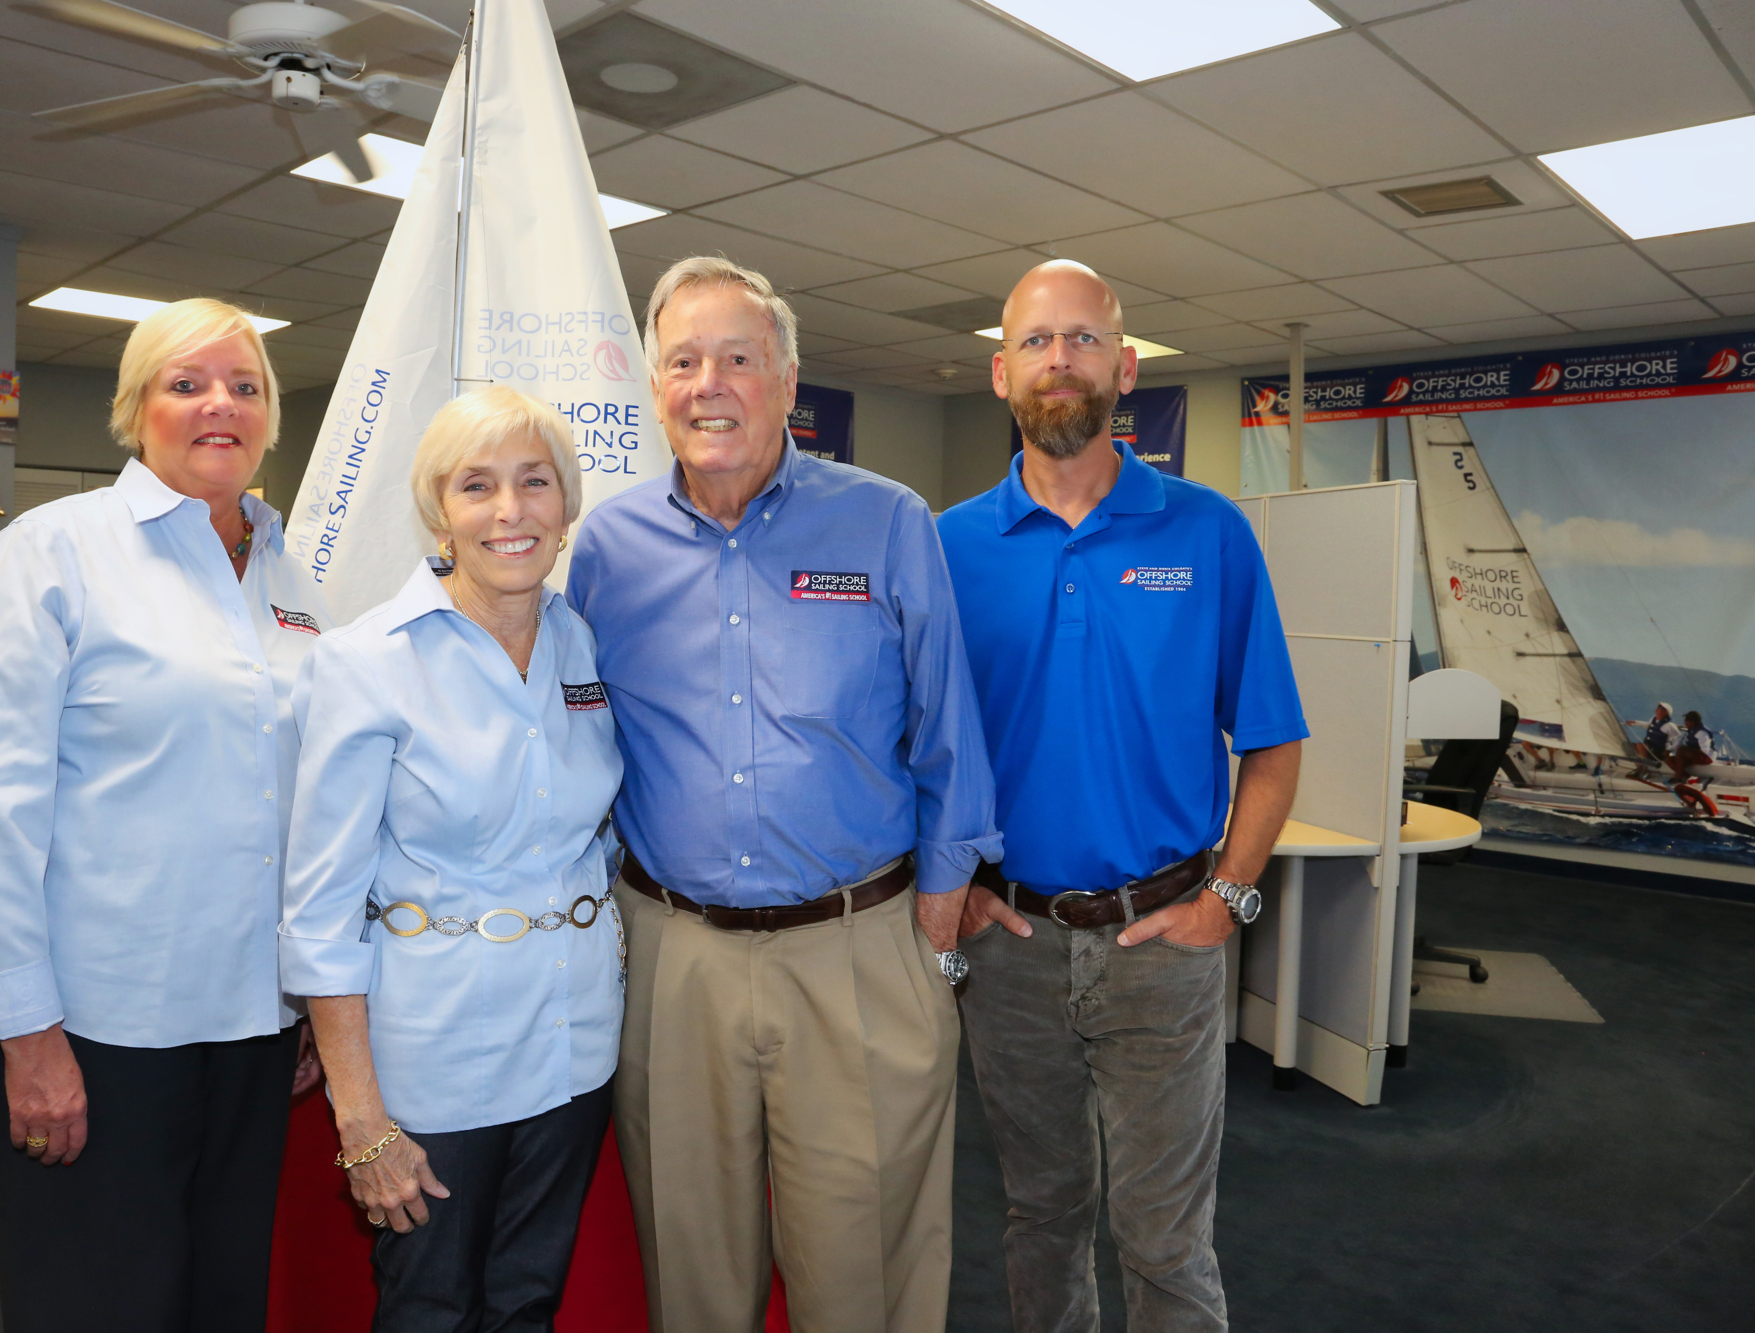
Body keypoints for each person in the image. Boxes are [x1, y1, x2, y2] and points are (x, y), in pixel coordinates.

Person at [566, 255, 1001, 1333]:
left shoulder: (887, 521)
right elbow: (565, 741)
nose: (710, 382)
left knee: (864, 1271)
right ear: (654, 384)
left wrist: (937, 914)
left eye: (739, 358)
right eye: (683, 359)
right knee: (692, 1267)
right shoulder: (605, 551)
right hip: (676, 956)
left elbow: (950, 726)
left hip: (855, 948)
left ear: (788, 379)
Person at [0, 298, 328, 1333]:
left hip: (252, 1026)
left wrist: (307, 996)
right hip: (99, 1028)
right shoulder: (48, 556)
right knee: (99, 1303)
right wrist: (27, 1033)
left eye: (244, 386)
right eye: (185, 383)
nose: (218, 405)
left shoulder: (292, 579)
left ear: (270, 415)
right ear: (134, 409)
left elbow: (304, 799)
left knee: (223, 1298)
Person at [936, 261, 1308, 1333]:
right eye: (1038, 342)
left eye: (1083, 339)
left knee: (1163, 1236)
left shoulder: (1205, 533)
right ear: (1000, 371)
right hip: (1007, 947)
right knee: (1040, 1214)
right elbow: (917, 745)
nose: (1061, 360)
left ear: (1124, 367)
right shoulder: (947, 545)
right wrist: (951, 883)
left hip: (1165, 944)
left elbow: (1273, 744)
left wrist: (1226, 899)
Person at [279, 386, 623, 1333]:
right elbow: (319, 911)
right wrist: (360, 1118)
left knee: (527, 1300)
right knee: (430, 1306)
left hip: (573, 1038)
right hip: (434, 1055)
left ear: (566, 503)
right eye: (478, 486)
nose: (509, 511)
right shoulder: (368, 662)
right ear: (440, 511)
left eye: (534, 482)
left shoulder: (579, 640)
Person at [1670, 709, 1717, 781]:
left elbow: (1705, 751)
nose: (1684, 721)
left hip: (1707, 757)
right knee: (1669, 759)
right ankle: (1685, 775)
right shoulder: (1692, 728)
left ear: (1692, 722)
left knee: (1680, 751)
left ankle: (1678, 777)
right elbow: (1686, 729)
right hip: (1696, 755)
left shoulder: (1701, 733)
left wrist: (1687, 749)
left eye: (1686, 720)